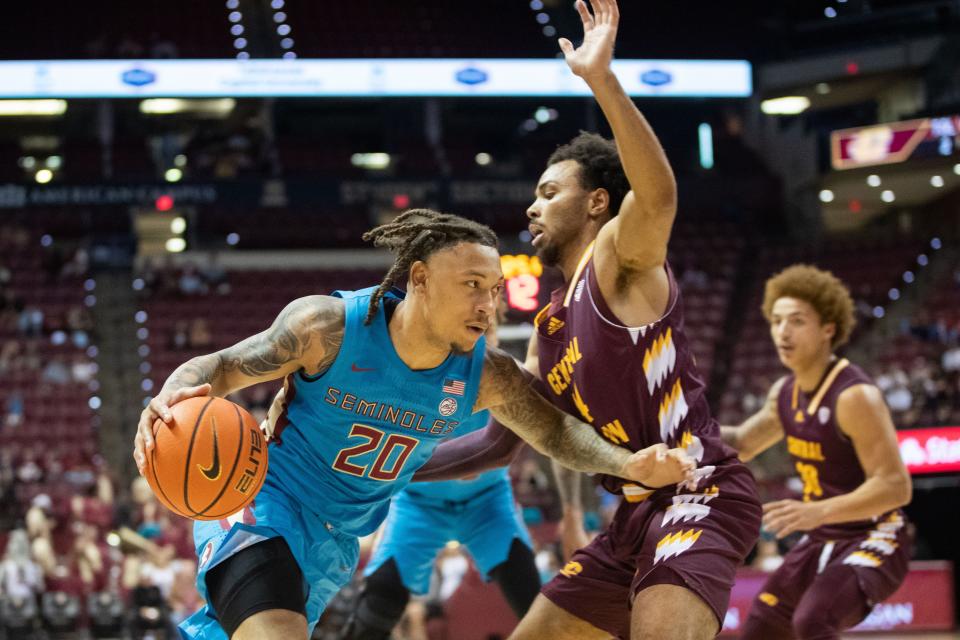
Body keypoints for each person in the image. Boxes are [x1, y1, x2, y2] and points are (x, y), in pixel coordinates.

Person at [132, 209, 695, 640]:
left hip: (336, 539)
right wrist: (171, 395)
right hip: (262, 501)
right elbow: (225, 367)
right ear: (420, 278)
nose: (487, 305)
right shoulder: (327, 328)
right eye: (471, 285)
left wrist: (626, 463)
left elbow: (551, 432)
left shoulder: (485, 374)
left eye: (493, 289)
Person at [414, 2, 763, 638]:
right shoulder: (548, 330)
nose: (532, 206)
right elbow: (498, 442)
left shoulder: (616, 260)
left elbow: (657, 196)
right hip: (630, 514)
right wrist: (392, 464)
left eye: (550, 192)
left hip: (699, 495)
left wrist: (602, 80)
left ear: (597, 202)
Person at [721, 264, 912, 640]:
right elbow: (741, 442)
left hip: (874, 535)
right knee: (761, 627)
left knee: (813, 620)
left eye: (796, 321)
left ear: (828, 328)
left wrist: (816, 511)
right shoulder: (785, 393)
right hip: (822, 537)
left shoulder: (855, 396)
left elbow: (895, 487)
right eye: (776, 321)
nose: (782, 332)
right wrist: (678, 431)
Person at [340, 310, 540, 640]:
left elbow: (554, 438)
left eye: (486, 328)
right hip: (418, 504)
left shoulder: (506, 375)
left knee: (536, 605)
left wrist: (574, 508)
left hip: (488, 504)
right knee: (376, 607)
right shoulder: (413, 373)